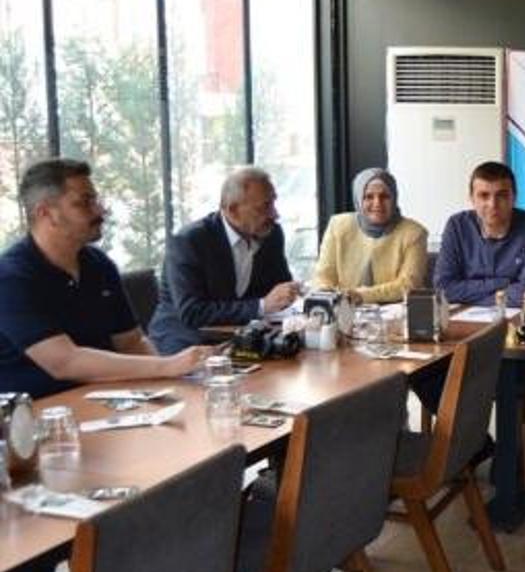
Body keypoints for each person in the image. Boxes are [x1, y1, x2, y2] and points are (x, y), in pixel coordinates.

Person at [0, 158, 210, 399]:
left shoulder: (98, 264)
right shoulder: (11, 277)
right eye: (84, 203)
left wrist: (171, 387)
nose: (100, 211)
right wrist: (169, 366)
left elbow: (131, 343)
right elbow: (64, 362)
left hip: (107, 398)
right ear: (45, 213)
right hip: (37, 411)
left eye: (96, 200)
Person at [148, 168, 297, 354]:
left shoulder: (271, 234)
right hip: (186, 341)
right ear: (232, 210)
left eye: (273, 203)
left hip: (240, 338)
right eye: (264, 207)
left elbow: (279, 289)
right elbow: (192, 312)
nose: (274, 214)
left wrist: (292, 294)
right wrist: (261, 306)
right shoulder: (190, 241)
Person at [434, 161, 525, 305]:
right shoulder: (457, 226)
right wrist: (503, 283)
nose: (493, 204)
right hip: (464, 316)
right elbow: (444, 288)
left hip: (518, 316)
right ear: (471, 199)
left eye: (501, 195)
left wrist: (470, 297)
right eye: (484, 196)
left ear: (514, 197)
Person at [312, 167, 428, 304]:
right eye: (368, 197)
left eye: (384, 196)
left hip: (394, 311)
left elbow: (409, 284)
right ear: (358, 199)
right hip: (344, 309)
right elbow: (323, 277)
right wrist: (330, 297)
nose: (377, 203)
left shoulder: (414, 233)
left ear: (394, 198)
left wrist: (360, 295)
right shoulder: (338, 226)